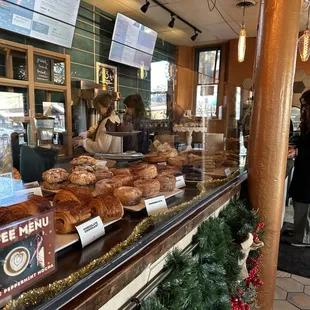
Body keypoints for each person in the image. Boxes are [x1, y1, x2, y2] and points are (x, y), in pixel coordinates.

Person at [288, 90, 310, 246]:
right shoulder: (307, 122)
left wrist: (298, 151)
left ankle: (304, 237)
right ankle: (298, 229)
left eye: (306, 106)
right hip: (304, 168)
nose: (304, 110)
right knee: (299, 196)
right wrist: (295, 144)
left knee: (306, 199)